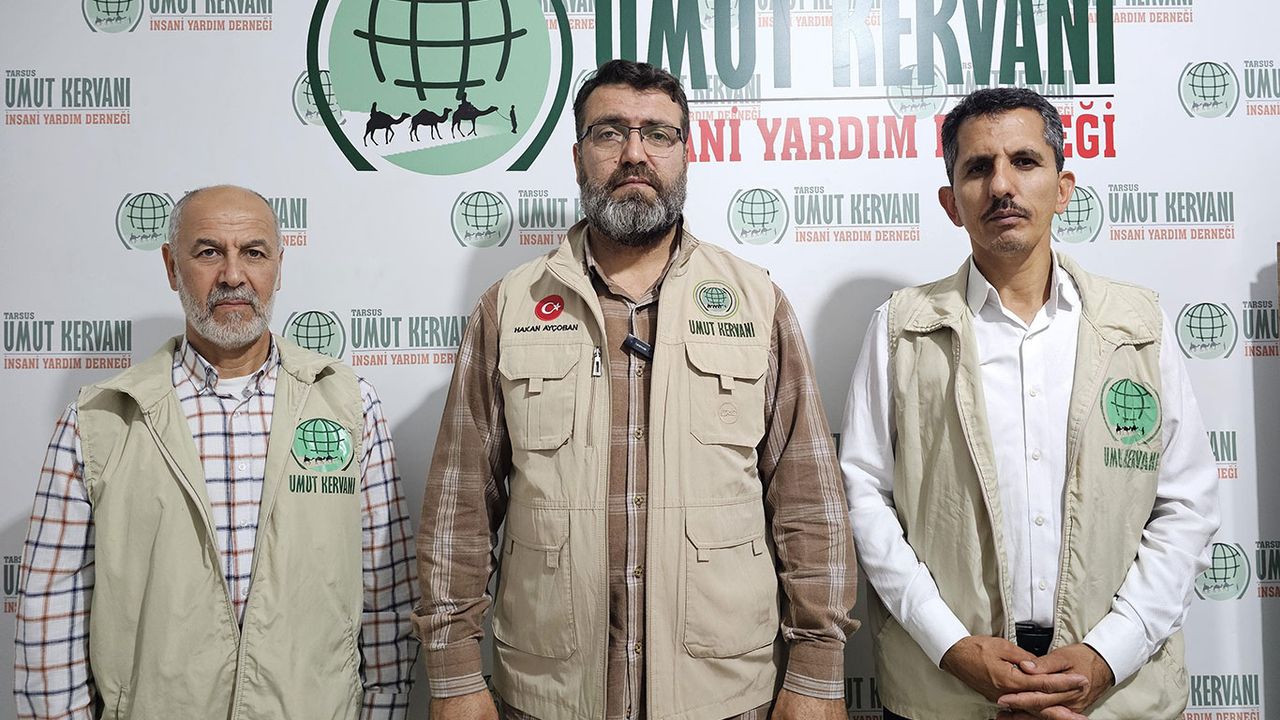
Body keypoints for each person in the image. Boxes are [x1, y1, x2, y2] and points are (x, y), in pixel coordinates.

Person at [416, 59, 857, 720]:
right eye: (609, 133)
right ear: (577, 157)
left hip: (725, 696)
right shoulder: (508, 306)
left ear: (686, 153)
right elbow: (461, 507)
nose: (634, 154)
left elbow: (809, 505)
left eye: (658, 134)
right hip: (550, 696)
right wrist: (453, 675)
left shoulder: (756, 302)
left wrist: (818, 673)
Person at [839, 87, 1220, 720]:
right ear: (951, 202)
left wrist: (1107, 654)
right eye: (977, 168)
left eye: (1024, 161)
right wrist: (952, 645)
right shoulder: (900, 329)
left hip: (1117, 691)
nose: (1001, 185)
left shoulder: (1137, 327)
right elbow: (865, 498)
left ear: (1063, 188)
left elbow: (1186, 505)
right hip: (946, 689)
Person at [13, 185, 419, 719]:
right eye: (208, 252)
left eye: (253, 252)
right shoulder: (98, 420)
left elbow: (387, 593)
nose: (233, 274)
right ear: (171, 267)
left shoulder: (348, 404)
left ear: (278, 266)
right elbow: (49, 615)